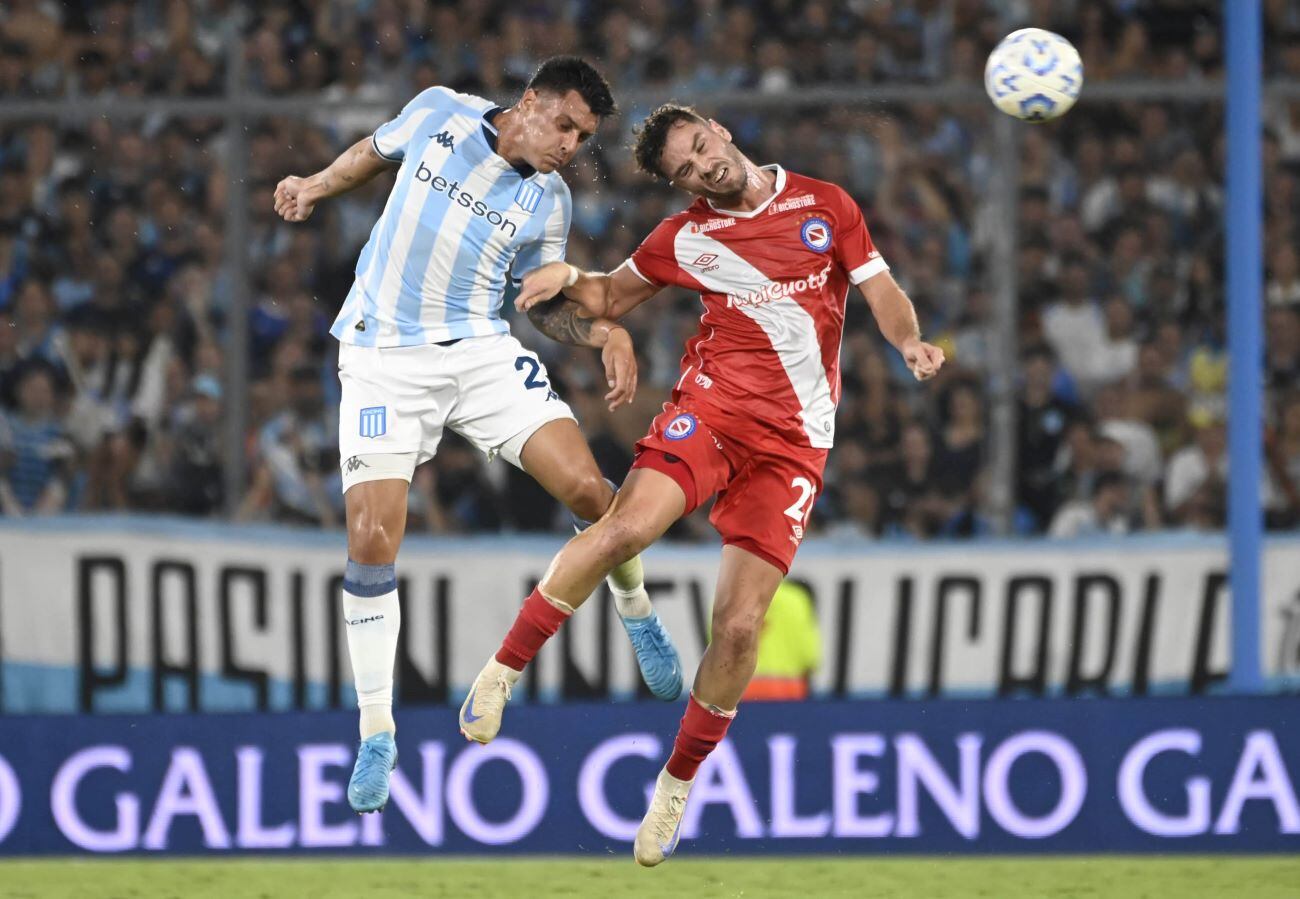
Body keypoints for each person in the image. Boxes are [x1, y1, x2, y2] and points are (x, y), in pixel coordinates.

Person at [462, 103, 945, 866]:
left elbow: (880, 290)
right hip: (711, 414)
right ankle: (500, 672)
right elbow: (608, 296)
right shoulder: (686, 236)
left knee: (742, 627)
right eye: (683, 171)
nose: (700, 167)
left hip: (793, 447)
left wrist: (909, 341)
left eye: (696, 147)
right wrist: (569, 278)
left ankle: (676, 783)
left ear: (715, 127)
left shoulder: (827, 205)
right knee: (623, 528)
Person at [271, 57, 682, 815]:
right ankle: (376, 732)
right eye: (564, 125)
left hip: (478, 349)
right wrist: (316, 184)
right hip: (383, 354)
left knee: (592, 489)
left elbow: (542, 305)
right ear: (528, 102)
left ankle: (637, 610)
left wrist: (602, 334)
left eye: (584, 136)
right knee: (369, 536)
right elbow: (374, 151)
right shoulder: (440, 113)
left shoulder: (547, 202)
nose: (570, 145)